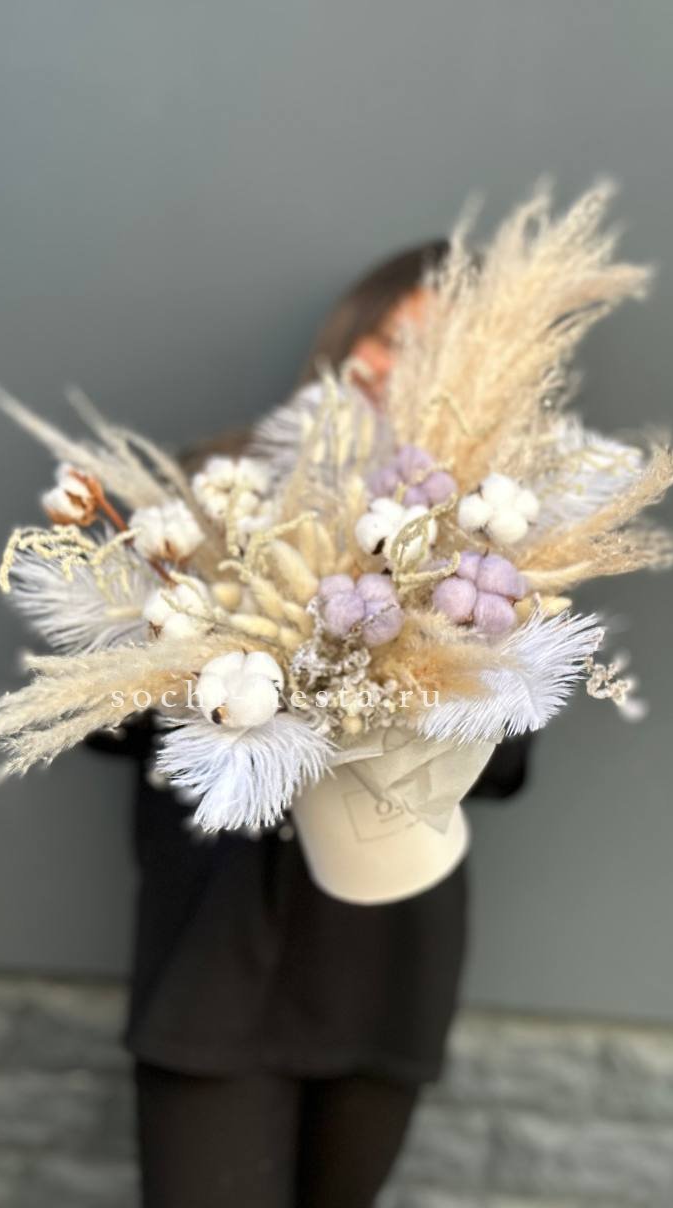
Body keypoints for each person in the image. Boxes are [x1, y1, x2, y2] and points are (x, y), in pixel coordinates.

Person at [92, 242, 531, 1208]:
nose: (383, 364)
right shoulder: (212, 485)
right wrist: (219, 676)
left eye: (425, 352)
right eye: (381, 333)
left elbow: (506, 769)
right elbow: (99, 722)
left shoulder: (482, 538)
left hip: (380, 954)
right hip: (212, 948)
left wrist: (399, 685)